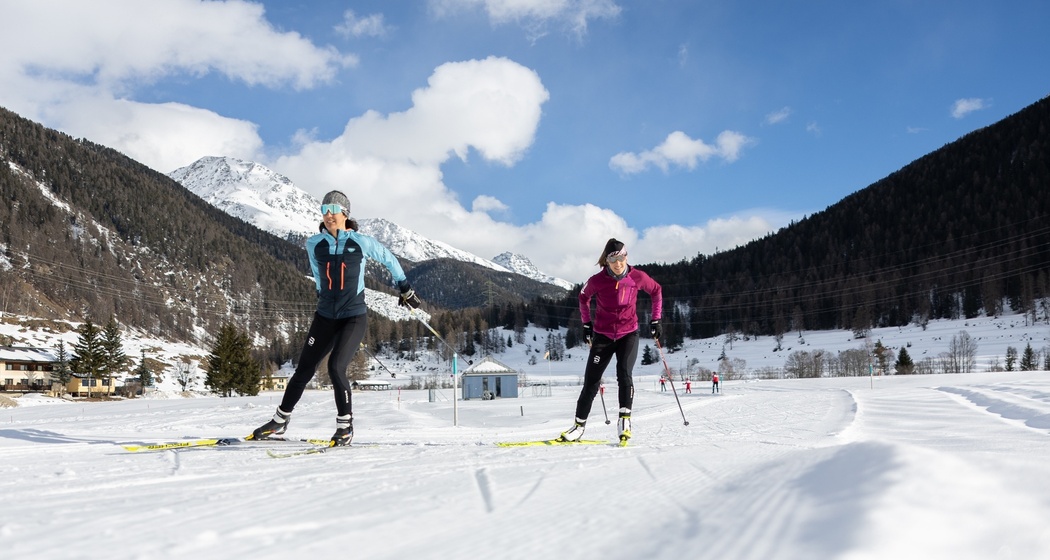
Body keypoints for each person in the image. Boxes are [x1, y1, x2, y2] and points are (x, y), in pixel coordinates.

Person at [250, 190, 422, 446]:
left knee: (335, 367)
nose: (328, 215)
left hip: (353, 317)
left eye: (333, 209)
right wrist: (323, 295)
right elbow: (318, 275)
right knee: (304, 370)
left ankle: (345, 426)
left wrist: (405, 288)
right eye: (324, 210)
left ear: (345, 213)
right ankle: (280, 420)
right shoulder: (314, 244)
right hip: (325, 317)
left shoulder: (361, 242)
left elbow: (389, 259)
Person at [560, 238, 662, 445]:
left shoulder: (637, 277)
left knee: (624, 374)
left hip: (628, 334)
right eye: (613, 260)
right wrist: (586, 324)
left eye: (621, 258)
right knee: (591, 381)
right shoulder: (597, 280)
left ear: (626, 257)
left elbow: (656, 291)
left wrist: (656, 319)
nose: (618, 264)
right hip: (603, 336)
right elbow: (583, 298)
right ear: (606, 261)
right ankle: (578, 427)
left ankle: (624, 421)